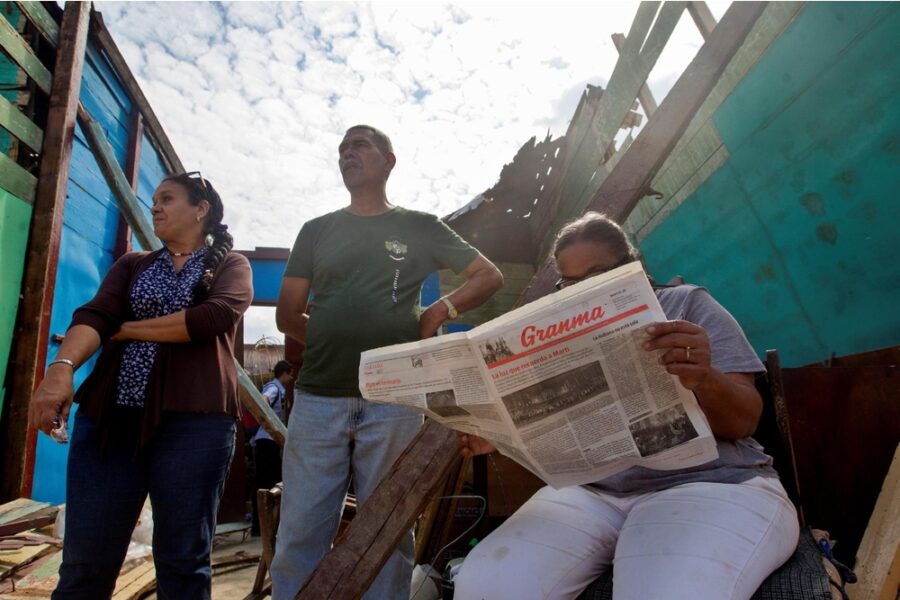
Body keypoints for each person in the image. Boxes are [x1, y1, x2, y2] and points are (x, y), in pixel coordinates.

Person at [454, 212, 800, 600]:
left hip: (710, 483)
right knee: (484, 588)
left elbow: (745, 420)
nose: (583, 289)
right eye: (570, 281)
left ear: (632, 265)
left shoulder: (685, 304)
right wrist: (500, 436)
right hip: (592, 492)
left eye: (599, 273)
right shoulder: (555, 335)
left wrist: (705, 378)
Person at [271, 125, 504, 600]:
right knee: (300, 533)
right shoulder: (316, 230)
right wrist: (333, 338)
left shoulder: (419, 226)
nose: (347, 153)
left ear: (388, 160)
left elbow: (489, 275)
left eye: (359, 145)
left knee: (388, 533)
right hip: (318, 398)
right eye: (342, 149)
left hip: (395, 399)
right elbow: (287, 314)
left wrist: (440, 310)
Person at [28, 172, 252, 600]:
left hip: (195, 427)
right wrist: (62, 368)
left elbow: (212, 319)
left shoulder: (230, 265)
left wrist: (126, 329)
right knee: (84, 563)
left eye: (167, 198)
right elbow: (95, 314)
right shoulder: (132, 264)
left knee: (183, 564)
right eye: (154, 199)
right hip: (111, 421)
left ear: (200, 209)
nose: (156, 207)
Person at [250, 359, 294, 536]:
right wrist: (271, 424)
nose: (291, 378)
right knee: (268, 483)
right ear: (283, 374)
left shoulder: (278, 388)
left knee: (267, 482)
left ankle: (263, 526)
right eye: (290, 374)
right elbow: (263, 401)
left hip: (269, 441)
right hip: (268, 440)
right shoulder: (275, 387)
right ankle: (261, 526)